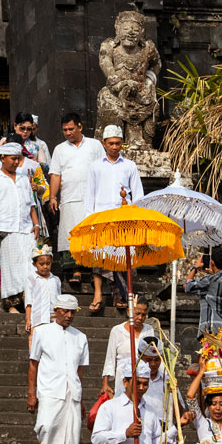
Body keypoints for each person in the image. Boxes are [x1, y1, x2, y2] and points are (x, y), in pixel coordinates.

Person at [28, 294, 89, 444]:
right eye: (66, 311)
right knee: (46, 425)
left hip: (73, 391)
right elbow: (33, 364)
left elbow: (80, 370)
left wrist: (82, 398)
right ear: (56, 311)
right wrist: (31, 393)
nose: (69, 315)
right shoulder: (41, 332)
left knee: (71, 433)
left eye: (73, 312)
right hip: (49, 388)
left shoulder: (81, 337)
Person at [84, 126, 143, 314]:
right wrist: (89, 220)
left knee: (121, 257)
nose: (115, 147)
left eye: (118, 143)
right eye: (111, 143)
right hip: (100, 216)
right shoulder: (95, 166)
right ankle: (98, 294)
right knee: (99, 256)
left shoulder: (130, 166)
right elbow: (89, 194)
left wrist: (137, 218)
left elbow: (138, 194)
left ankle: (119, 294)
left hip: (123, 217)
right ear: (104, 144)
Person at [0, 141, 40, 312]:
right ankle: (11, 304)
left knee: (29, 265)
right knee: (9, 267)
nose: (15, 162)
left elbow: (31, 204)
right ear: (2, 158)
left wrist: (36, 224)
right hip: (5, 227)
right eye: (13, 159)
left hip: (26, 228)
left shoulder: (24, 178)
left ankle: (29, 302)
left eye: (18, 159)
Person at [47, 113, 104, 284]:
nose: (68, 132)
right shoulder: (60, 149)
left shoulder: (94, 145)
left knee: (92, 234)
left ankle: (96, 272)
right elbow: (56, 174)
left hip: (92, 198)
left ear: (80, 127)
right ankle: (76, 270)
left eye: (71, 129)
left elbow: (103, 169)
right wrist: (52, 197)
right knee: (71, 233)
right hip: (69, 198)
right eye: (65, 130)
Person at [100, 299, 157, 394]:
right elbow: (110, 358)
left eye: (143, 315)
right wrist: (105, 383)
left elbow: (152, 355)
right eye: (137, 313)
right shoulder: (117, 330)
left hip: (143, 378)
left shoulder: (149, 330)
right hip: (123, 377)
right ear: (128, 312)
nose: (140, 318)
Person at [181, 255, 222, 332]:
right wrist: (213, 274)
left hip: (212, 331)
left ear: (212, 262)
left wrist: (195, 268)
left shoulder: (210, 280)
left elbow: (186, 285)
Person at [25, 245, 62, 339]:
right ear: (34, 264)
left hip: (54, 316)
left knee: (53, 339)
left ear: (51, 262)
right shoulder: (31, 279)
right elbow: (29, 302)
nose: (45, 267)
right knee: (35, 339)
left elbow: (59, 299)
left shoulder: (56, 280)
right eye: (41, 264)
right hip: (38, 316)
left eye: (48, 263)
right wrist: (28, 319)